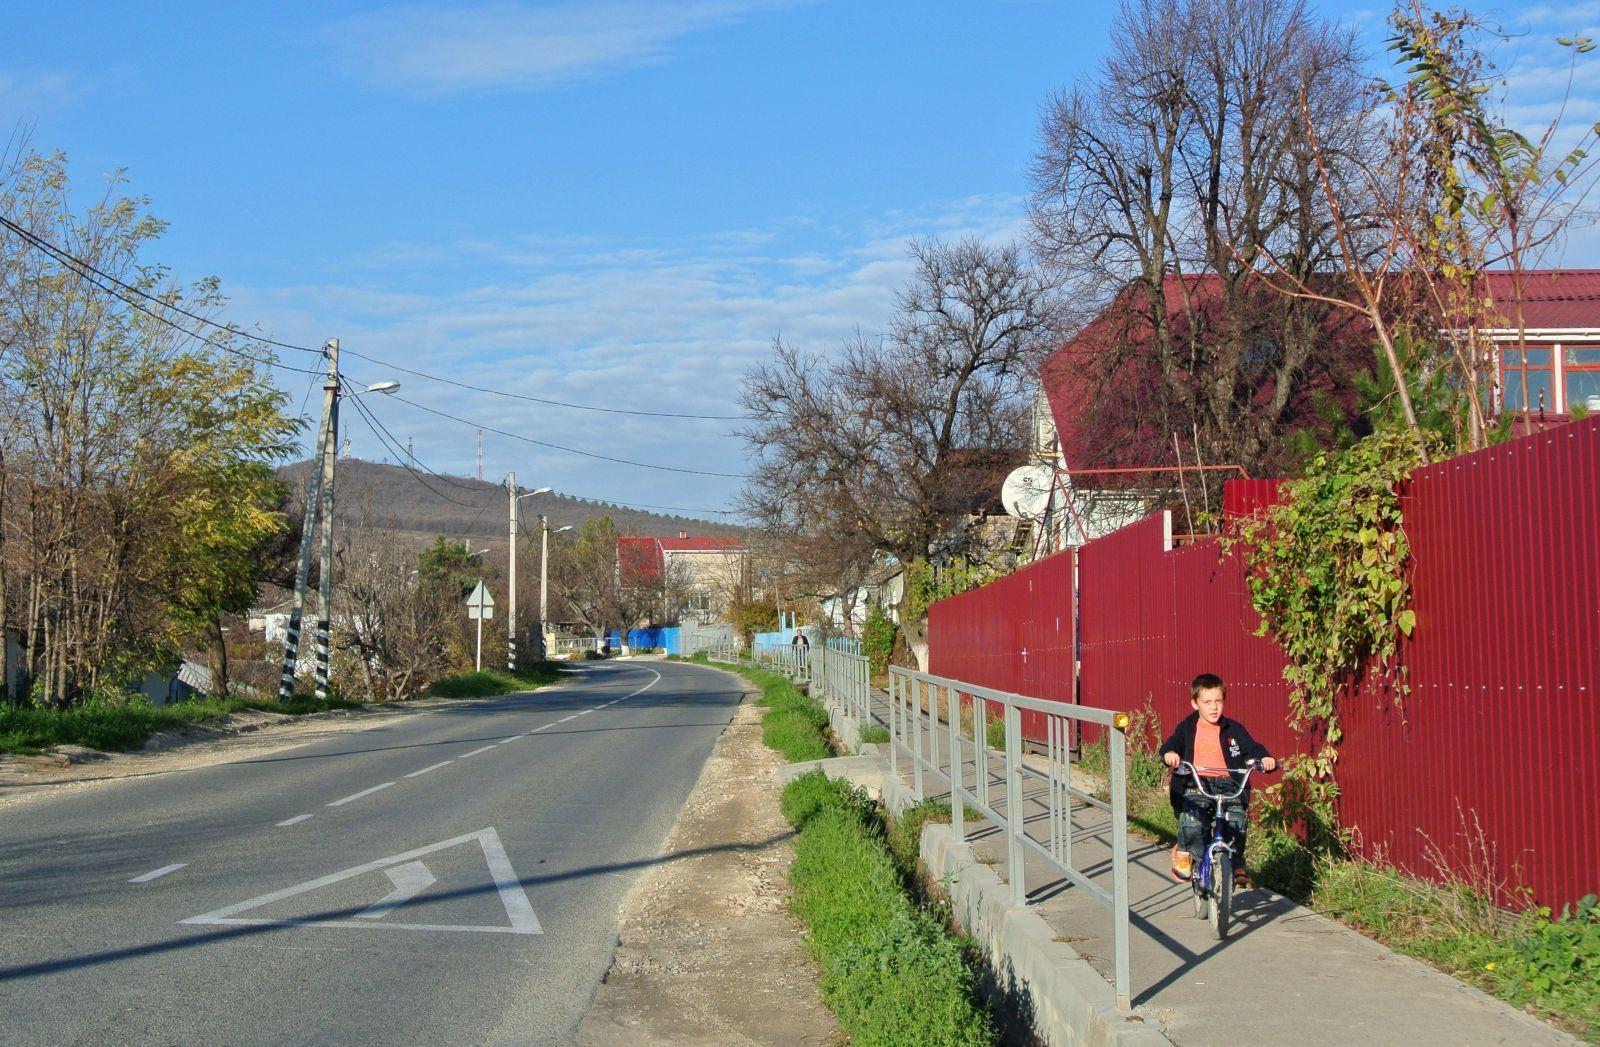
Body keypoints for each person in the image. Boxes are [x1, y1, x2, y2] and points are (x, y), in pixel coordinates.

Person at [1159, 673, 1277, 886]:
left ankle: (1236, 860)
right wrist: (1170, 754)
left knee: (1236, 822)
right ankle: (1185, 853)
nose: (1213, 707)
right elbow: (1171, 744)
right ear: (1195, 704)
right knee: (1193, 823)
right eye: (1207, 702)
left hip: (1229, 783)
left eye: (1218, 701)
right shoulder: (1187, 727)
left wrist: (1264, 758)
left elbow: (1251, 748)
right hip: (1196, 783)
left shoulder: (1233, 729)